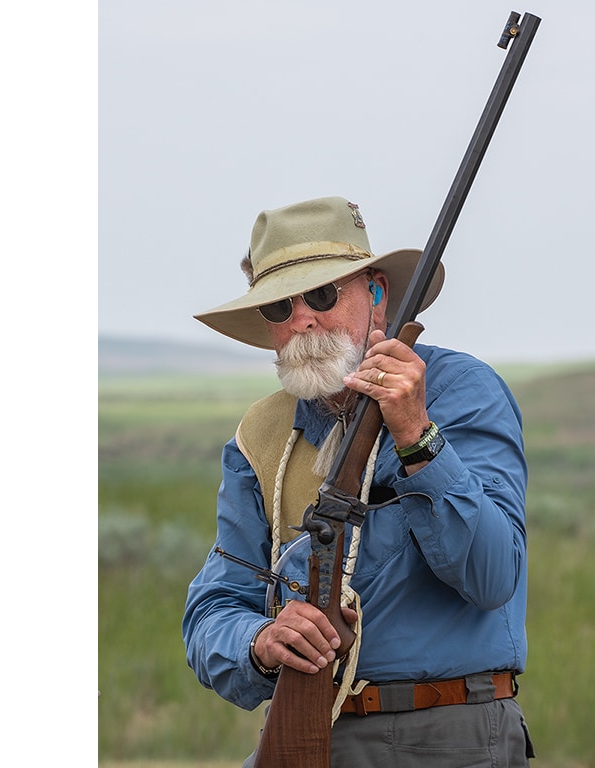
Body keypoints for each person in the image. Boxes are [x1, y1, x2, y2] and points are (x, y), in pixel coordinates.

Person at [182, 195, 533, 766]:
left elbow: (492, 576)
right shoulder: (261, 435)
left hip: (450, 733)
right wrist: (262, 642)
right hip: (309, 733)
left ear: (377, 294)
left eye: (322, 294)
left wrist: (417, 435)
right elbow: (214, 609)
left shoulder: (462, 391)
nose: (302, 319)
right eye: (279, 307)